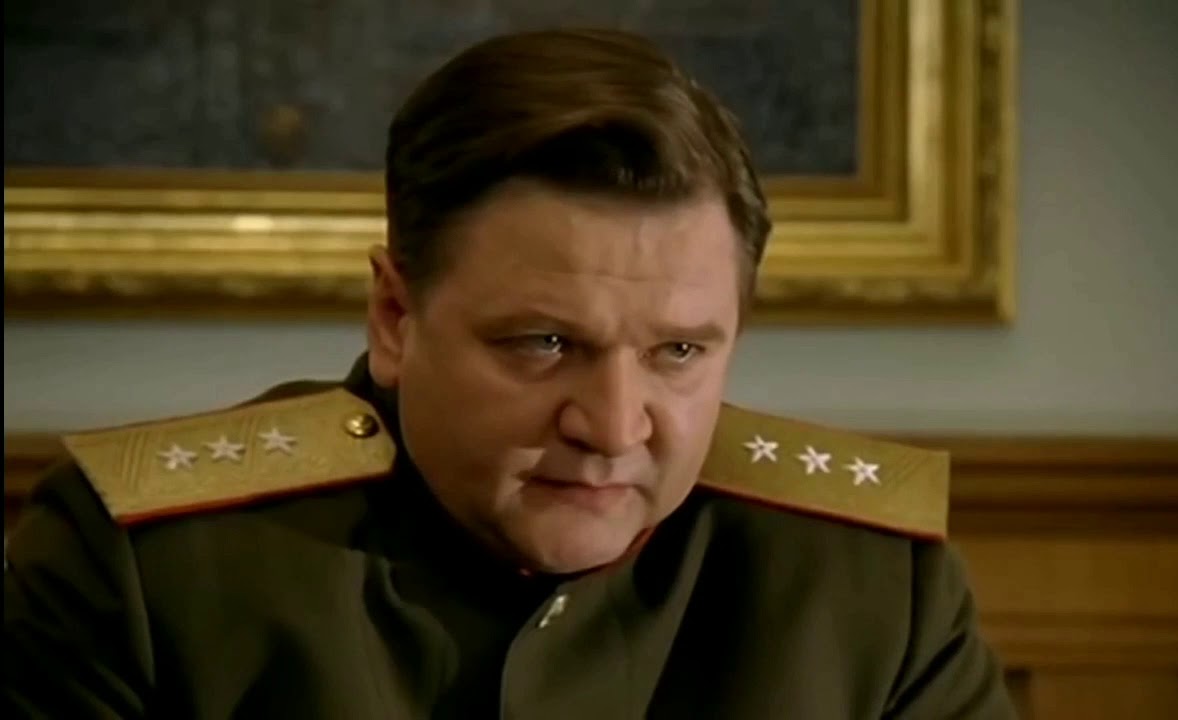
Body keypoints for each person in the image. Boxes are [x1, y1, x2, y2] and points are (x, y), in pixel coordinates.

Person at [4, 28, 1016, 719]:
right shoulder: (144, 570)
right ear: (396, 317)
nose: (613, 428)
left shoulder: (871, 586)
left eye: (677, 352)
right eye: (544, 344)